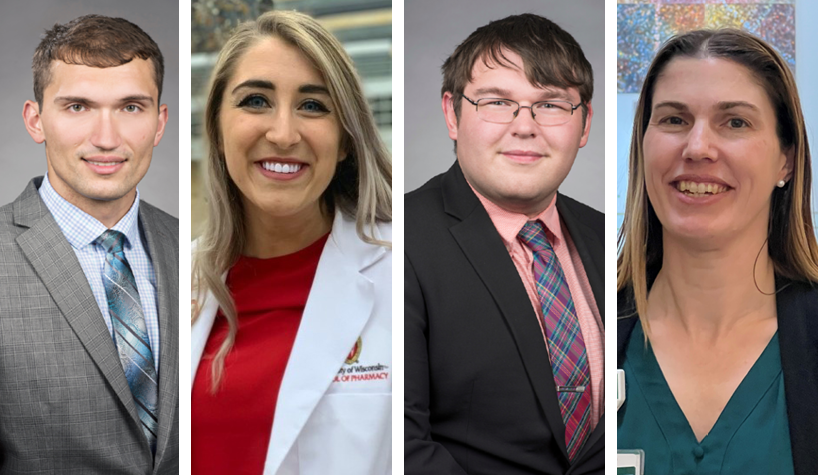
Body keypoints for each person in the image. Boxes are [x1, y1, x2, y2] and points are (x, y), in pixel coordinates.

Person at [190, 10, 392, 475]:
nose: (282, 134)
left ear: (345, 139)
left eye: (313, 106)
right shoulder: (172, 278)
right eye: (256, 101)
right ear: (218, 130)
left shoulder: (406, 270)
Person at [405, 14, 604, 475]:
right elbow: (404, 446)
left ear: (585, 122)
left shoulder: (608, 240)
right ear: (453, 114)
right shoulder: (401, 239)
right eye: (497, 102)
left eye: (551, 105)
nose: (525, 126)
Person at [0, 14, 177, 474]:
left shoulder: (190, 249)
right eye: (77, 107)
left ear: (159, 122)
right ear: (36, 120)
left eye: (131, 107)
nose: (106, 139)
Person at [617, 29, 818, 475]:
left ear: (786, 159)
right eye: (674, 120)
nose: (697, 148)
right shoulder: (587, 328)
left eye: (736, 122)